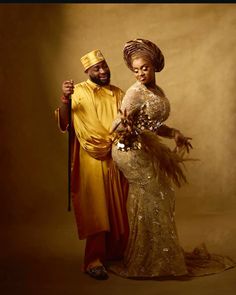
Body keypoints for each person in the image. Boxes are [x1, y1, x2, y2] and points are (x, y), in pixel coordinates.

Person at [109, 38, 235, 278]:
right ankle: (146, 261)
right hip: (128, 151)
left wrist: (175, 133)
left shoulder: (156, 90)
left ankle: (159, 258)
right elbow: (117, 123)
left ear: (155, 65)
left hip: (143, 147)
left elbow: (153, 126)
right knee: (153, 197)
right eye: (135, 70)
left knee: (160, 197)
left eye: (144, 68)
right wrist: (121, 125)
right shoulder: (134, 93)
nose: (139, 74)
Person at [55, 49, 129, 280]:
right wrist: (65, 100)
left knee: (119, 209)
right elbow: (65, 122)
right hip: (91, 160)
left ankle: (116, 254)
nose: (103, 70)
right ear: (87, 71)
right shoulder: (78, 91)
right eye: (97, 68)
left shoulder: (119, 93)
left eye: (105, 66)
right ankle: (93, 261)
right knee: (97, 211)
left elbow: (128, 121)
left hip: (117, 158)